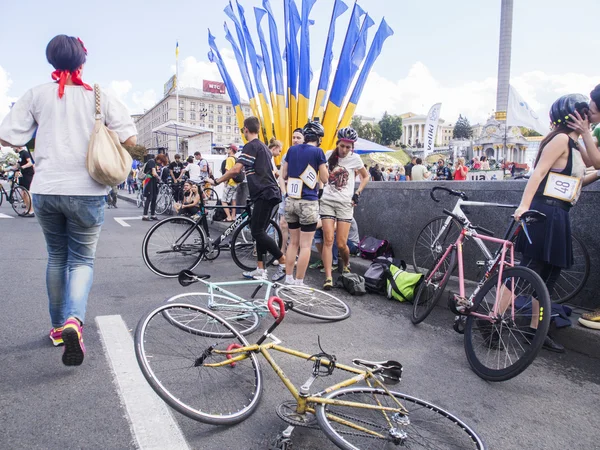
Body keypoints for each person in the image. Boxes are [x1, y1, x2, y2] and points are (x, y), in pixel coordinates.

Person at [0, 35, 137, 366]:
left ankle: (59, 328)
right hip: (88, 190)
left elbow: (7, 136)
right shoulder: (97, 95)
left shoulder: (36, 94)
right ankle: (75, 320)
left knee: (57, 258)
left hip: (46, 190)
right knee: (81, 260)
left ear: (51, 61)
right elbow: (131, 138)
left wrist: (41, 132)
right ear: (82, 61)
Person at [513, 94, 599, 350]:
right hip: (545, 212)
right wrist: (524, 206)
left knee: (549, 275)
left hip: (560, 213)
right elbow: (538, 172)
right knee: (527, 271)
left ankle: (535, 330)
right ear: (577, 116)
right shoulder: (561, 140)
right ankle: (489, 321)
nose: (591, 117)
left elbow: (574, 181)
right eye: (587, 112)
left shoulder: (575, 146)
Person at [208, 116, 286, 280]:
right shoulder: (263, 147)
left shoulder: (251, 146)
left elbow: (236, 169)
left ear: (245, 129)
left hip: (265, 193)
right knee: (260, 232)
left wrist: (216, 181)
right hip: (267, 193)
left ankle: (283, 262)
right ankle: (260, 270)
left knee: (257, 232)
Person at [277, 120, 329, 286]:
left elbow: (283, 174)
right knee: (305, 245)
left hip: (291, 200)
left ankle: (288, 278)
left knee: (293, 242)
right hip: (308, 202)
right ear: (318, 137)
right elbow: (325, 178)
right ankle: (299, 282)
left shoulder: (292, 150)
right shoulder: (318, 152)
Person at [320, 127, 370, 289]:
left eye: (348, 147)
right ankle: (328, 277)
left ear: (352, 147)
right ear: (338, 144)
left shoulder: (355, 159)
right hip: (327, 201)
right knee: (328, 240)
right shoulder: (328, 155)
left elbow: (365, 176)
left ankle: (346, 263)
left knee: (341, 244)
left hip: (345, 204)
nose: (344, 150)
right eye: (342, 146)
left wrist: (358, 192)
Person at [9, 146, 35, 216]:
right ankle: (27, 209)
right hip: (22, 174)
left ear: (17, 147)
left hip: (28, 173)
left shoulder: (25, 153)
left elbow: (30, 163)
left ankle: (31, 211)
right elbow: (18, 165)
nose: (12, 148)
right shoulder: (18, 155)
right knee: (23, 192)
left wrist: (22, 167)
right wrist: (9, 168)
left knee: (27, 192)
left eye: (13, 147)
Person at [142, 154, 167, 221]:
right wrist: (159, 179)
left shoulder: (157, 164)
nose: (161, 163)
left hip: (154, 181)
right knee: (149, 198)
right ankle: (145, 215)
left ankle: (153, 214)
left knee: (154, 198)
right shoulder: (151, 161)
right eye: (161, 161)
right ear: (159, 159)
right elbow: (154, 173)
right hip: (149, 180)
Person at [222, 145, 239, 222]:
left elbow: (227, 172)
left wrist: (225, 182)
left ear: (231, 150)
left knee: (224, 201)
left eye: (228, 149)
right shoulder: (237, 159)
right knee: (234, 200)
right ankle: (233, 216)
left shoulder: (229, 159)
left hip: (230, 182)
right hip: (237, 182)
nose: (227, 150)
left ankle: (228, 217)